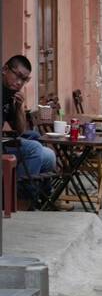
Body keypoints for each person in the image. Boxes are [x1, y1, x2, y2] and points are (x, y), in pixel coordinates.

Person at [2, 55, 55, 203]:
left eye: (24, 79)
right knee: (33, 148)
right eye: (17, 76)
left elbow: (19, 130)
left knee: (37, 140)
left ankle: (45, 196)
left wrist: (19, 107)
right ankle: (20, 199)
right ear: (5, 69)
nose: (19, 82)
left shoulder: (10, 94)